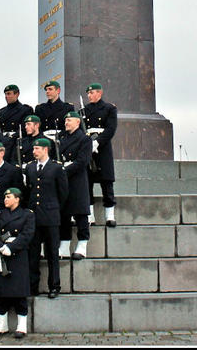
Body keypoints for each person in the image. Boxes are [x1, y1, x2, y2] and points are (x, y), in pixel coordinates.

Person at [0, 187, 34, 338]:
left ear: (17, 199)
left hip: (17, 256)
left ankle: (21, 325)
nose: (5, 199)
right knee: (1, 292)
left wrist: (12, 248)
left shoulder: (27, 214)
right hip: (1, 254)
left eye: (9, 197)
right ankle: (2, 324)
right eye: (4, 197)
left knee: (19, 292)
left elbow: (27, 234)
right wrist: (0, 247)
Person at [24, 137, 68, 298]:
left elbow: (63, 193)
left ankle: (54, 286)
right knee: (33, 254)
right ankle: (32, 286)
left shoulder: (56, 168)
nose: (34, 151)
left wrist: (54, 209)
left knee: (52, 253)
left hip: (50, 217)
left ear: (45, 149)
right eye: (34, 149)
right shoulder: (30, 168)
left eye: (37, 149)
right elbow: (29, 190)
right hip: (34, 217)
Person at [82, 82, 119, 226]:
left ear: (99, 93)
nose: (89, 96)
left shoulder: (109, 109)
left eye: (92, 93)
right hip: (88, 148)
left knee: (106, 181)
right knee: (87, 182)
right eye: (88, 93)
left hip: (102, 148)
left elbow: (111, 129)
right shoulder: (83, 110)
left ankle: (110, 215)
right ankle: (90, 216)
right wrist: (88, 143)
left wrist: (97, 142)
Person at [58, 111, 93, 260]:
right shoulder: (61, 138)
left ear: (78, 122)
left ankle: (82, 245)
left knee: (80, 213)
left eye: (69, 120)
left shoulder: (84, 139)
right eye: (65, 120)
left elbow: (82, 161)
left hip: (77, 179)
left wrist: (65, 170)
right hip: (64, 180)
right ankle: (64, 245)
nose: (66, 122)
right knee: (64, 214)